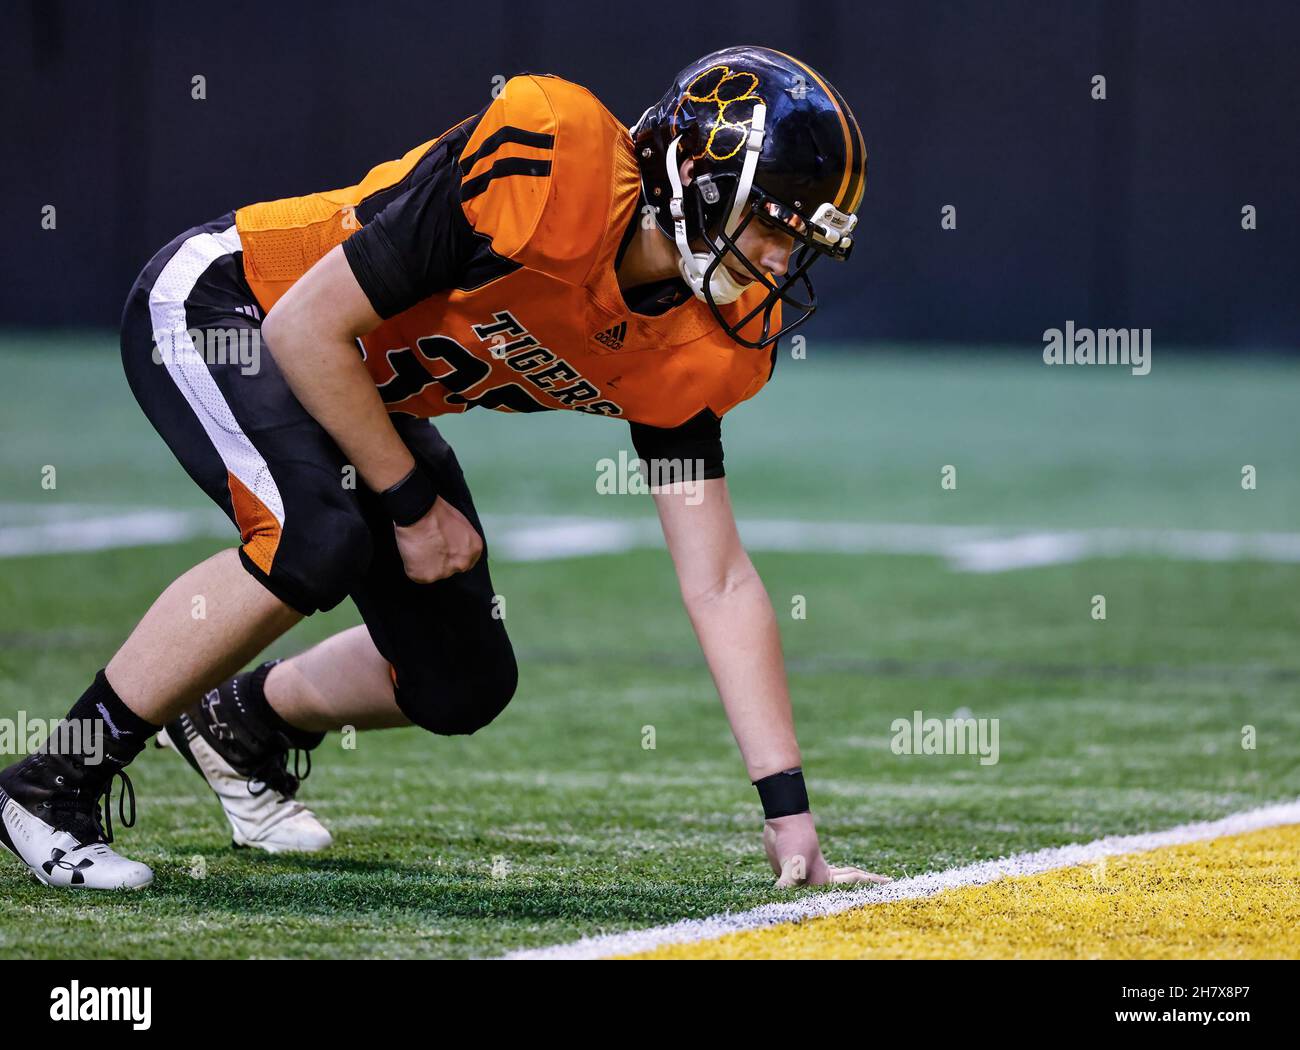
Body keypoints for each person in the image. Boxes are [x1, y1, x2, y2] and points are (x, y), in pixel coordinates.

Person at [0, 45, 887, 892]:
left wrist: (789, 816)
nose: (779, 263)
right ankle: (49, 785)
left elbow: (720, 581)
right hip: (233, 303)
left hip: (358, 389)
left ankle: (239, 721)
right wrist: (414, 502)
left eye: (800, 243)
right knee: (318, 536)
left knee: (463, 683)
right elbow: (304, 330)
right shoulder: (555, 168)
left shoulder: (697, 344)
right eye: (772, 225)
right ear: (695, 179)